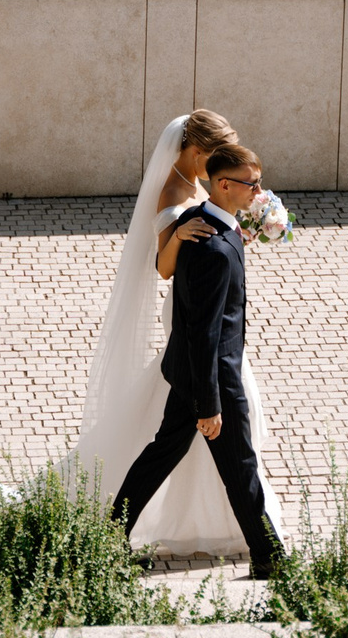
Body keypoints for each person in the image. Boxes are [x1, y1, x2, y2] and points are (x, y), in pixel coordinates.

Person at [72, 112, 284, 559]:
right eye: (250, 183)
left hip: (196, 360)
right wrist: (210, 403)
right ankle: (270, 557)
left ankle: (109, 538)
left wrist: (246, 225)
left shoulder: (214, 211)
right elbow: (188, 304)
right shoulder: (189, 216)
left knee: (169, 455)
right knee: (233, 462)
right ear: (198, 155)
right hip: (203, 358)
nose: (257, 191)